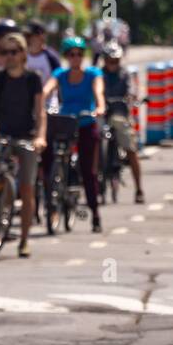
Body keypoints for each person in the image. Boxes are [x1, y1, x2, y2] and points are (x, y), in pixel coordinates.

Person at [0, 32, 46, 257]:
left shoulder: (33, 79)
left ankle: (24, 240)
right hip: (0, 135)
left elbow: (40, 112)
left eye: (14, 52)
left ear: (23, 54)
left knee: (26, 187)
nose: (9, 57)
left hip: (26, 136)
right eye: (4, 52)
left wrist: (40, 136)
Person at [42, 35, 107, 233]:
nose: (75, 58)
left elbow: (98, 92)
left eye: (79, 54)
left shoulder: (93, 73)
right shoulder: (60, 74)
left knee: (88, 171)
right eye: (71, 54)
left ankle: (95, 214)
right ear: (66, 57)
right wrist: (39, 103)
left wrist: (100, 107)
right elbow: (47, 89)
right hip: (64, 121)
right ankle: (50, 196)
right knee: (47, 156)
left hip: (85, 121)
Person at [100, 43, 144, 203]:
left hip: (120, 116)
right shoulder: (98, 75)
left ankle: (139, 189)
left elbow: (132, 90)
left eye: (116, 61)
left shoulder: (125, 74)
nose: (113, 64)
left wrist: (131, 97)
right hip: (102, 115)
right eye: (110, 61)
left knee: (131, 149)